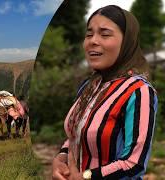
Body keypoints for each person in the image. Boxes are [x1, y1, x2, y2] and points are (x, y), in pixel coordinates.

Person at [52, 5, 157, 180]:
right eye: (89, 34)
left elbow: (134, 163)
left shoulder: (138, 92)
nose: (93, 40)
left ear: (126, 42)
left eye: (105, 34)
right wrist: (61, 158)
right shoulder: (89, 86)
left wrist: (86, 176)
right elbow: (76, 133)